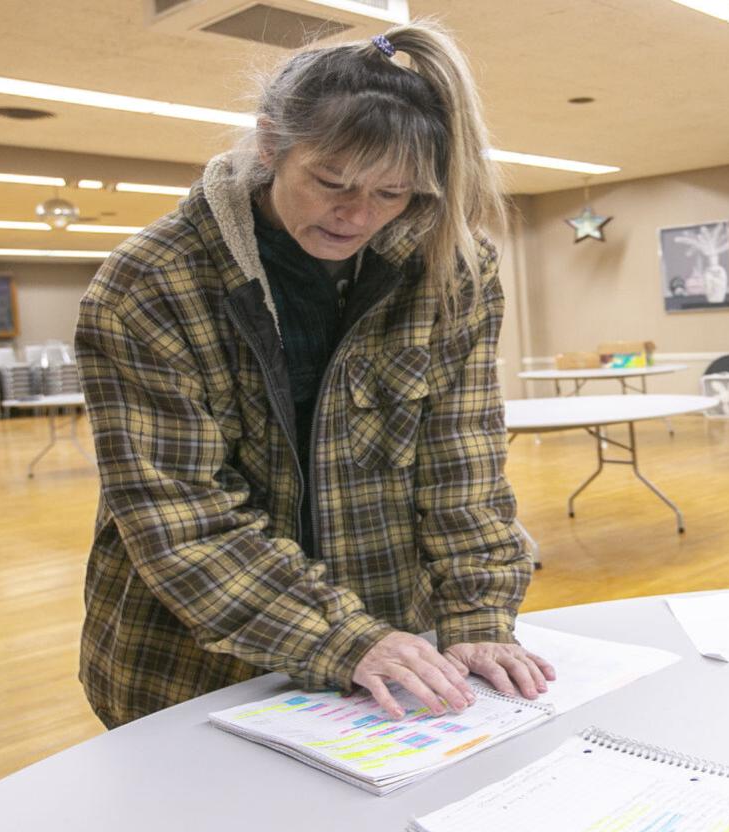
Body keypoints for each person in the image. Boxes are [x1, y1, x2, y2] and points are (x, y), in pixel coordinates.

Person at [75, 22, 549, 729]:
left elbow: (463, 459)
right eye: (331, 183)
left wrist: (477, 609)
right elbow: (181, 518)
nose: (356, 216)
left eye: (394, 193)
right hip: (190, 666)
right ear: (271, 145)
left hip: (391, 653)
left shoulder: (451, 264)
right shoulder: (151, 283)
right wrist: (342, 637)